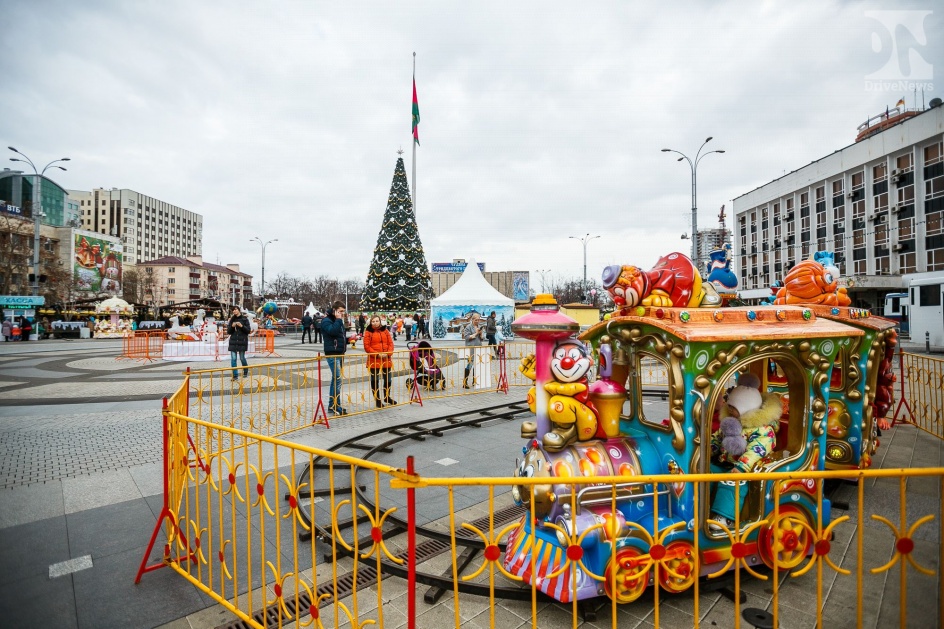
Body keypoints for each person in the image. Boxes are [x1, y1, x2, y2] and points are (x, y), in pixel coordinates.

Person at [321, 301, 348, 415]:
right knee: (338, 379)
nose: (342, 314)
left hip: (339, 352)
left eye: (343, 311)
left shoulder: (338, 321)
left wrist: (349, 339)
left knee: (336, 379)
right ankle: (334, 405)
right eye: (340, 311)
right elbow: (332, 332)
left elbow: (339, 335)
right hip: (332, 353)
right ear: (334, 310)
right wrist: (337, 319)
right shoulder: (326, 320)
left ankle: (334, 404)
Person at [363, 315, 396, 408]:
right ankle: (377, 399)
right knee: (375, 380)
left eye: (377, 321)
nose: (375, 323)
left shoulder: (385, 331)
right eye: (373, 321)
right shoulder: (368, 332)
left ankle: (387, 396)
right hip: (374, 360)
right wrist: (377, 354)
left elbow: (390, 343)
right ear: (370, 323)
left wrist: (388, 353)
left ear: (380, 322)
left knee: (388, 379)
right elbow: (367, 347)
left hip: (386, 359)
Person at [227, 306, 252, 380]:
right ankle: (235, 375)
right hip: (233, 341)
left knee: (242, 358)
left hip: (242, 341)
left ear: (239, 310)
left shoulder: (245, 319)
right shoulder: (232, 320)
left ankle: (245, 371)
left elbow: (248, 331)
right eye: (233, 310)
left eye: (235, 310)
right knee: (233, 359)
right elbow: (228, 331)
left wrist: (241, 326)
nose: (234, 311)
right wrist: (232, 326)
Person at [461, 313, 485, 389]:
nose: (477, 321)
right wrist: (476, 333)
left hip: (478, 348)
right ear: (472, 319)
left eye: (478, 320)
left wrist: (480, 334)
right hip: (471, 349)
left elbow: (482, 338)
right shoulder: (468, 327)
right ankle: (465, 382)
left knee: (477, 365)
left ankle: (475, 381)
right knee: (470, 364)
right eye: (476, 320)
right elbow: (467, 337)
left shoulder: (480, 327)